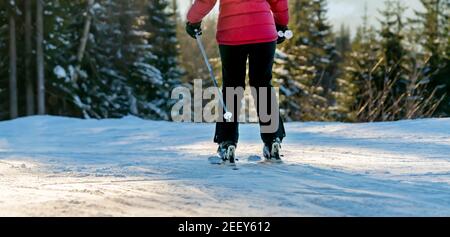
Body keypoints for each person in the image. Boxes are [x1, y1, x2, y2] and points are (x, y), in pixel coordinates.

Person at [186, 0, 289, 163]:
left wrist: (193, 20)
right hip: (263, 32)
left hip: (232, 34)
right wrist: (282, 23)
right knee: (262, 85)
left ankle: (227, 142)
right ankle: (272, 139)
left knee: (232, 88)